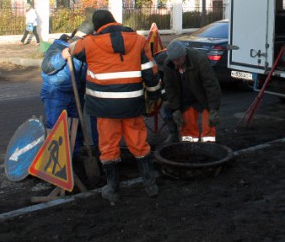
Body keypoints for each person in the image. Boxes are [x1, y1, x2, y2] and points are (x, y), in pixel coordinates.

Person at [61, 10, 161, 201]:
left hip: (104, 108)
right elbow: (150, 71)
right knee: (139, 144)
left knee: (108, 147)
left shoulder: (89, 43)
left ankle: (113, 190)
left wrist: (77, 39)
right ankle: (150, 185)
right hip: (132, 105)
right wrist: (155, 94)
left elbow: (71, 48)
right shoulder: (138, 40)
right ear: (114, 21)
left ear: (97, 26)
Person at [40, 28, 97, 158]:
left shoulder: (83, 52)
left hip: (75, 93)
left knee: (75, 126)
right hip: (56, 93)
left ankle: (74, 156)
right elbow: (47, 67)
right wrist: (62, 56)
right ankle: (55, 159)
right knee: (56, 126)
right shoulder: (58, 47)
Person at [162, 40, 222, 143]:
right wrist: (176, 109)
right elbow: (170, 89)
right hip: (186, 98)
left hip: (204, 97)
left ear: (184, 55)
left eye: (178, 60)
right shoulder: (168, 65)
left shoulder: (200, 60)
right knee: (187, 129)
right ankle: (188, 146)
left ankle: (209, 146)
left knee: (209, 125)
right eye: (174, 60)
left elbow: (211, 85)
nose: (176, 63)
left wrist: (213, 109)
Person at [153, 49, 180, 144]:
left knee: (184, 113)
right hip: (171, 94)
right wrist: (166, 99)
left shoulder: (178, 68)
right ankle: (173, 134)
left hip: (182, 94)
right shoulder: (159, 71)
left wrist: (177, 107)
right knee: (167, 109)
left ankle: (185, 134)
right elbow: (162, 87)